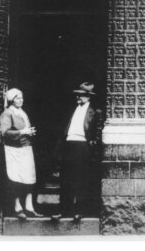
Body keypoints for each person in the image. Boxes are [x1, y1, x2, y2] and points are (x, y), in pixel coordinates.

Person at [51, 82, 103, 222]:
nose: (77, 98)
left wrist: (91, 145)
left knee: (81, 179)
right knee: (65, 179)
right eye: (77, 95)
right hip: (69, 146)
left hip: (83, 147)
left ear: (88, 97)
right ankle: (63, 210)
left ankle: (79, 211)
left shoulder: (95, 112)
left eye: (80, 95)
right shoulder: (72, 109)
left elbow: (98, 133)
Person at [0, 88, 43, 220]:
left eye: (22, 98)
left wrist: (29, 132)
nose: (21, 100)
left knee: (29, 177)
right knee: (16, 178)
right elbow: (5, 132)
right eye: (18, 98)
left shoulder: (22, 113)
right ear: (12, 100)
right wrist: (23, 132)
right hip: (14, 150)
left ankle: (29, 207)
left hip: (26, 148)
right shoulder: (7, 113)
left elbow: (25, 130)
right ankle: (17, 207)